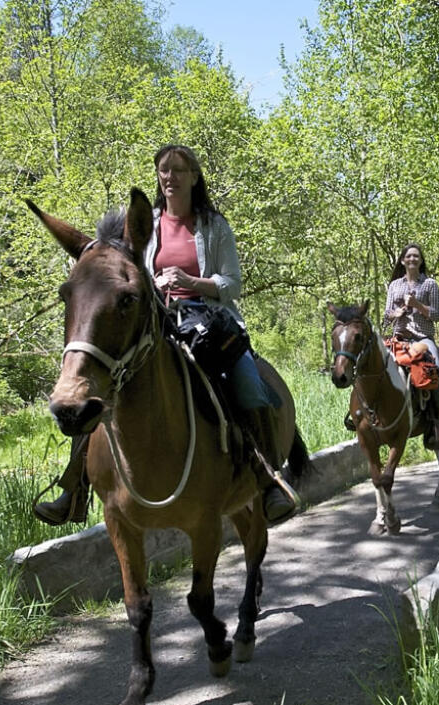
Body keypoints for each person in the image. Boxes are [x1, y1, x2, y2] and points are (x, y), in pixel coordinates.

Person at [34, 144, 297, 526]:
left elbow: (233, 283)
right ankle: (74, 488)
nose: (169, 177)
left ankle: (267, 479)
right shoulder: (145, 223)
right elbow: (124, 268)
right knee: (95, 383)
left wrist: (193, 281)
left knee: (248, 384)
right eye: (163, 170)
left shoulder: (214, 226)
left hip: (211, 320)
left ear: (194, 176)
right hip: (158, 321)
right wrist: (150, 283)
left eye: (178, 170)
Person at [383, 242, 439, 445]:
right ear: (402, 260)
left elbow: (436, 315)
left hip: (422, 339)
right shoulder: (394, 285)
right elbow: (386, 316)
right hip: (399, 339)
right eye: (408, 256)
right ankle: (364, 415)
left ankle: (435, 423)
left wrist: (417, 305)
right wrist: (396, 313)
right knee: (372, 365)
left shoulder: (430, 285)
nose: (412, 259)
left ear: (420, 261)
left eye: (416, 256)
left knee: (434, 369)